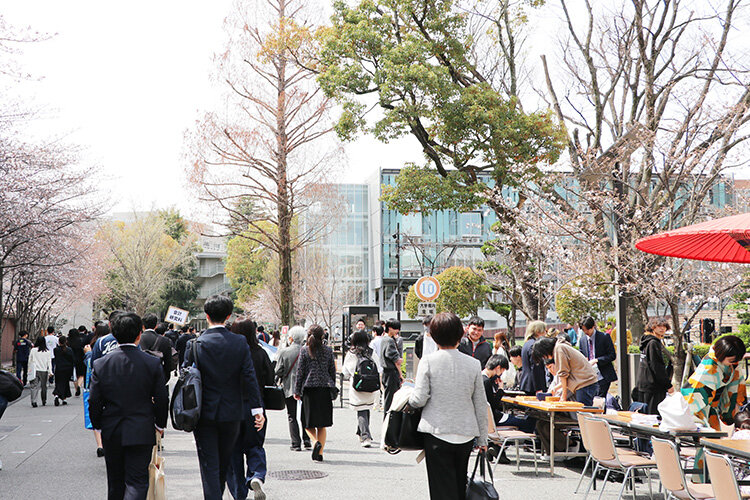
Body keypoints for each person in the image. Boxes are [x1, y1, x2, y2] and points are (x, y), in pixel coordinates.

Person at [183, 295, 264, 500]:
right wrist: (257, 410)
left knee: (209, 465)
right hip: (233, 413)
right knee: (224, 462)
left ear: (207, 315)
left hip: (204, 414)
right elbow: (249, 376)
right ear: (228, 316)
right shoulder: (239, 342)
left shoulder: (196, 344)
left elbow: (187, 377)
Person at [89, 312, 169, 500]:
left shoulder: (101, 364)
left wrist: (98, 424)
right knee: (137, 482)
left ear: (114, 334)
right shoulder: (152, 363)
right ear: (139, 334)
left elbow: (94, 400)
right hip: (141, 429)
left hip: (112, 429)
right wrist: (160, 424)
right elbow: (161, 397)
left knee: (115, 482)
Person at [408, 312, 488, 500]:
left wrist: (407, 398)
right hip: (466, 433)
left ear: (434, 336)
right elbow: (480, 404)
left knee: (440, 489)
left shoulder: (428, 361)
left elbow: (418, 399)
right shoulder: (474, 364)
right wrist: (483, 439)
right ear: (461, 334)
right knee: (460, 484)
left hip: (437, 431)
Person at [227, 317, 274, 500]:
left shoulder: (229, 354)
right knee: (255, 445)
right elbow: (270, 379)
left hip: (232, 407)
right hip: (255, 406)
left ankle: (239, 493)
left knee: (234, 451)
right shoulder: (260, 352)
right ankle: (256, 475)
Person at [682, 334, 747, 431]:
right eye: (731, 361)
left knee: (713, 439)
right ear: (721, 355)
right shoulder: (708, 367)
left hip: (713, 405)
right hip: (701, 406)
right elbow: (693, 396)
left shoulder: (733, 362)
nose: (735, 363)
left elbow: (737, 385)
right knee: (704, 435)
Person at [294, 324, 336, 462]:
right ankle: (320, 453)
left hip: (309, 390)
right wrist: (332, 386)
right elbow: (332, 371)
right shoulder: (328, 350)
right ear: (322, 336)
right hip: (324, 389)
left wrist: (297, 390)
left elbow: (300, 373)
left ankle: (314, 442)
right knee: (322, 424)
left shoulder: (305, 351)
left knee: (307, 423)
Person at [274, 326, 311, 451]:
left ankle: (296, 443)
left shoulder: (284, 352)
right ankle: (307, 440)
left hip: (290, 386)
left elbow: (278, 370)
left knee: (292, 415)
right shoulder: (307, 351)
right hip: (305, 387)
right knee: (305, 414)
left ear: (290, 338)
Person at [532, 337, 599, 405]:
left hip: (585, 383)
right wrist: (555, 388)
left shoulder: (559, 349)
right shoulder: (560, 347)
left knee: (582, 413)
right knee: (581, 412)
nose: (545, 358)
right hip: (585, 382)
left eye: (543, 356)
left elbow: (563, 374)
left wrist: (563, 397)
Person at [342, 330, 379, 447]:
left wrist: (349, 377)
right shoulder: (371, 352)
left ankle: (365, 436)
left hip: (357, 385)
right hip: (372, 385)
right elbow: (379, 367)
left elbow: (345, 372)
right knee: (365, 408)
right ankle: (360, 431)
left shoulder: (351, 353)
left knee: (361, 409)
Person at [635, 318, 674, 415]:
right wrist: (668, 385)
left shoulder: (647, 342)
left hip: (644, 384)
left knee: (645, 415)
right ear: (652, 328)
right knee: (653, 417)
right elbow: (656, 366)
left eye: (664, 327)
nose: (662, 329)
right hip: (654, 386)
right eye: (659, 326)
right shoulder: (653, 343)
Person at [577, 316, 617, 397]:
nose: (585, 332)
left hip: (602, 375)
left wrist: (597, 360)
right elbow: (581, 355)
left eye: (587, 329)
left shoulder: (604, 337)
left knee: (600, 400)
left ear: (593, 327)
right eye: (583, 330)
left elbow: (612, 355)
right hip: (589, 377)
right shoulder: (582, 340)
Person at [139, 314, 174, 384]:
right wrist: (164, 379)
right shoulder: (165, 340)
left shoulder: (137, 339)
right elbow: (168, 363)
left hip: (141, 378)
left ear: (143, 326)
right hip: (158, 377)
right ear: (156, 326)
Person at [380, 318, 403, 413]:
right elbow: (396, 360)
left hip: (386, 373)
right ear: (390, 328)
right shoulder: (389, 341)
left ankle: (387, 421)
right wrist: (401, 374)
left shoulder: (384, 339)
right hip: (392, 373)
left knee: (388, 398)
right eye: (396, 328)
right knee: (391, 400)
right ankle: (389, 422)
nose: (397, 331)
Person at [519, 321, 548, 395]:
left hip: (527, 382)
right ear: (538, 331)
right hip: (533, 385)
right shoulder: (534, 345)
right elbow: (535, 367)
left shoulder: (527, 343)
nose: (545, 333)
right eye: (545, 331)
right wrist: (538, 388)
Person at [28, 336, 53, 407]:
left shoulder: (33, 350)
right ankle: (44, 400)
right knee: (43, 386)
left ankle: (34, 401)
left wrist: (29, 369)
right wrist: (50, 372)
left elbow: (30, 360)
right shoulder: (47, 352)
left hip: (34, 370)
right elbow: (49, 363)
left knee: (34, 386)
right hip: (44, 370)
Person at [53, 336, 75, 406]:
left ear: (59, 342)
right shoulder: (69, 350)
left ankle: (57, 395)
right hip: (67, 369)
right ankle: (63, 399)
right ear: (66, 342)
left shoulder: (56, 350)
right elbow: (72, 360)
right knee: (65, 383)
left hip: (59, 369)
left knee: (58, 382)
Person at [67, 328, 86, 396]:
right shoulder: (80, 341)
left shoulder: (68, 341)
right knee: (81, 375)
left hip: (71, 360)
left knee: (74, 375)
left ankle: (76, 388)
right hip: (80, 359)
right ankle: (79, 385)